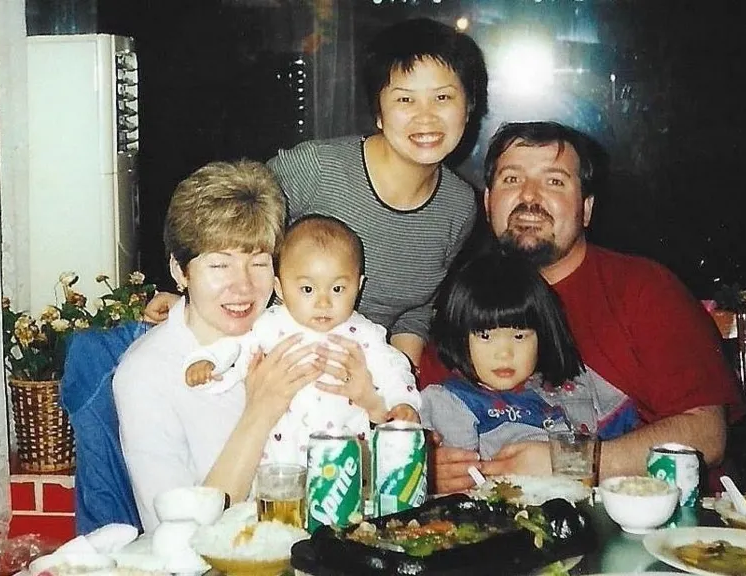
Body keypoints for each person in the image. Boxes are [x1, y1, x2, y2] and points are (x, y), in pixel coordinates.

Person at [144, 18, 488, 366]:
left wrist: (393, 382)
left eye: (443, 97)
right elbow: (221, 221)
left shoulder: (458, 206)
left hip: (355, 382)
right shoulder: (318, 168)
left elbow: (416, 309)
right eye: (405, 99)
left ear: (468, 106)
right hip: (259, 359)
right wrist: (184, 296)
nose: (425, 117)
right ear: (379, 113)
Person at [423, 121, 743, 493]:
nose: (529, 196)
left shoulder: (644, 287)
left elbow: (707, 434)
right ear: (488, 201)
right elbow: (422, 426)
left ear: (586, 209)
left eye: (554, 181)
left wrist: (570, 462)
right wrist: (433, 466)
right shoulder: (465, 303)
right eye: (512, 179)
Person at [113, 160, 386, 531]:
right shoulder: (145, 376)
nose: (242, 287)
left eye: (258, 263)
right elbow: (177, 534)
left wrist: (375, 404)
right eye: (219, 266)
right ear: (180, 271)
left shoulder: (294, 328)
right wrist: (261, 412)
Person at [183, 214, 421, 466]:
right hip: (280, 463)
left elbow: (393, 369)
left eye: (337, 289)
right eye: (308, 289)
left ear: (359, 286)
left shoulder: (365, 335)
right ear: (280, 287)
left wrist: (402, 403)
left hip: (345, 464)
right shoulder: (269, 326)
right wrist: (207, 362)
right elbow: (234, 348)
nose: (323, 302)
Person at [421, 248, 590, 461]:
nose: (504, 354)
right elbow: (462, 475)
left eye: (519, 337)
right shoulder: (451, 402)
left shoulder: (560, 392)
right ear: (460, 338)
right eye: (485, 336)